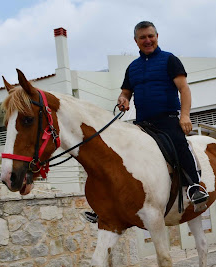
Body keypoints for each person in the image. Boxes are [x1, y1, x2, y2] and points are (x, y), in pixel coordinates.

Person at [85, 21, 208, 223]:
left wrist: (185, 116)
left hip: (168, 119)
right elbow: (125, 93)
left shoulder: (170, 60)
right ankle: (107, 203)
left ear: (157, 37)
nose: (147, 40)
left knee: (179, 143)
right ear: (136, 41)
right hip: (142, 123)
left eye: (151, 36)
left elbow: (184, 89)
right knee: (119, 152)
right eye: (143, 37)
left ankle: (195, 186)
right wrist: (123, 100)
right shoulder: (132, 68)